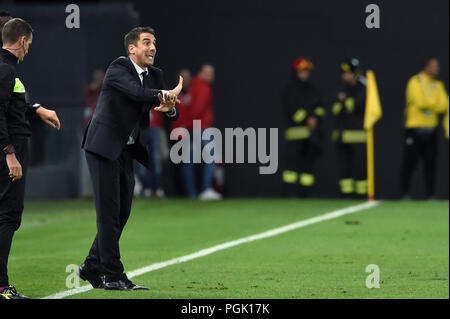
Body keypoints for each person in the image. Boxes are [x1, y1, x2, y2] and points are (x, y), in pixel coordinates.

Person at [79, 26, 182, 291]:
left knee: (122, 212)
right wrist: (164, 94)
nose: (153, 48)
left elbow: (169, 111)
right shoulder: (118, 68)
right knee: (108, 214)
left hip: (126, 149)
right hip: (103, 146)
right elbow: (136, 94)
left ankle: (92, 266)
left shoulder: (155, 75)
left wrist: (169, 108)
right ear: (132, 48)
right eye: (146, 42)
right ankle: (114, 275)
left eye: (154, 43)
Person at [0, 18, 61, 299]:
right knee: (7, 216)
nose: (28, 52)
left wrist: (37, 109)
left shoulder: (8, 70)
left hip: (11, 148)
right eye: (29, 46)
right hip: (10, 152)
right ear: (22, 41)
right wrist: (10, 154)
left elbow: (14, 105)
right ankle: (1, 287)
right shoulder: (5, 70)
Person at [400, 57, 449, 199]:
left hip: (431, 129)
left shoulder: (438, 85)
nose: (437, 68)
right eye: (434, 66)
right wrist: (434, 104)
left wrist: (431, 105)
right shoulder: (414, 82)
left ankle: (430, 195)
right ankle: (405, 194)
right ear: (426, 67)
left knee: (430, 163)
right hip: (414, 128)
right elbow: (419, 102)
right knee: (409, 163)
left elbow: (445, 105)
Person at [282, 57, 325, 197]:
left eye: (307, 70)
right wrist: (307, 118)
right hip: (296, 134)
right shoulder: (290, 89)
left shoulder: (313, 89)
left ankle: (305, 194)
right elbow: (290, 110)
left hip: (311, 136)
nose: (305, 73)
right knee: (293, 166)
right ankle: (290, 192)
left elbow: (320, 108)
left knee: (309, 165)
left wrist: (316, 118)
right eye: (302, 70)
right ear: (296, 72)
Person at [183, 64, 222, 200]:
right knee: (210, 158)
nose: (211, 76)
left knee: (190, 161)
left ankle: (191, 192)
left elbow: (188, 107)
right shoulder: (203, 87)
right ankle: (206, 189)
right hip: (202, 127)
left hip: (193, 127)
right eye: (208, 73)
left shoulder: (192, 86)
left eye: (212, 73)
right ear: (201, 73)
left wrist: (188, 125)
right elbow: (197, 109)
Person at [331, 58, 367, 198]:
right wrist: (344, 104)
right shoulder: (342, 89)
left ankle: (361, 195)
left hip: (358, 136)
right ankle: (345, 194)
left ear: (355, 73)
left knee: (360, 167)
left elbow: (356, 106)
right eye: (343, 73)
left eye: (348, 73)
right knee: (344, 167)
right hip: (342, 136)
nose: (345, 76)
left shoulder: (363, 89)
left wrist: (344, 101)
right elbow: (335, 109)